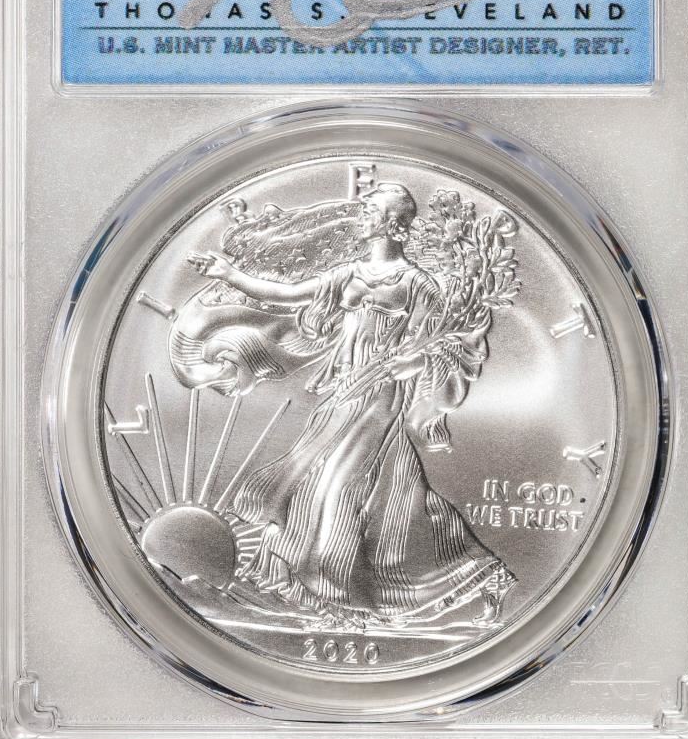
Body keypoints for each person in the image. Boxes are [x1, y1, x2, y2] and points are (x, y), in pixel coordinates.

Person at [188, 183, 515, 629]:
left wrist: (414, 361)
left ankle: (337, 598)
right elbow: (289, 294)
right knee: (372, 493)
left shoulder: (417, 283)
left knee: (338, 487)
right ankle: (480, 576)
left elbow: (447, 343)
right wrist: (230, 275)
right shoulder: (348, 273)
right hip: (343, 393)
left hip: (380, 395)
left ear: (394, 225)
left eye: (371, 210)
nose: (362, 216)